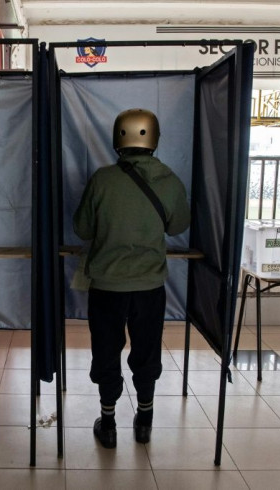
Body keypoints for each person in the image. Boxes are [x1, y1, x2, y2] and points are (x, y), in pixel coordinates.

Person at [73, 108, 191, 448]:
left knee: (106, 351)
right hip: (149, 287)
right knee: (146, 352)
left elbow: (81, 228)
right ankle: (145, 421)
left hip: (107, 288)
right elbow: (178, 226)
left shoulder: (102, 179)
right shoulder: (168, 179)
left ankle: (107, 423)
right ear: (153, 138)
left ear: (118, 138)